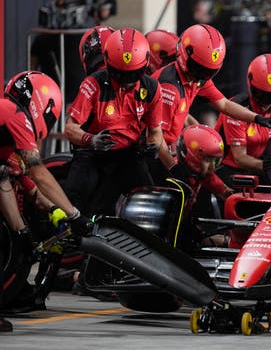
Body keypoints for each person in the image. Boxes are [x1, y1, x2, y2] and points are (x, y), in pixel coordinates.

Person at [0, 71, 94, 328]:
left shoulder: (7, 127)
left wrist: (54, 213)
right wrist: (74, 215)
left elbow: (28, 188)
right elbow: (38, 173)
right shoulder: (14, 114)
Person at [152, 27, 271, 179]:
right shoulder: (170, 88)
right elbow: (155, 137)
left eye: (209, 72)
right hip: (153, 153)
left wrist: (256, 118)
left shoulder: (196, 79)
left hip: (163, 150)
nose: (202, 75)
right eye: (199, 69)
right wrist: (173, 167)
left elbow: (223, 104)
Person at [64, 28, 165, 217]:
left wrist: (153, 145)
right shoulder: (92, 83)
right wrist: (91, 140)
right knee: (76, 198)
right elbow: (70, 128)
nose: (127, 81)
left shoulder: (151, 88)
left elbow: (155, 131)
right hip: (92, 153)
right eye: (120, 74)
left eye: (133, 74)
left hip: (129, 154)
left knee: (151, 203)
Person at [215, 53, 271, 186]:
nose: (267, 102)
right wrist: (262, 164)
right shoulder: (237, 107)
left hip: (257, 168)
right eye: (261, 95)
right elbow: (239, 158)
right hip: (227, 168)